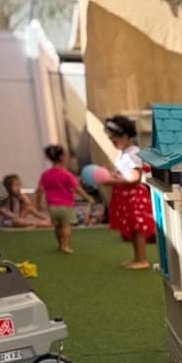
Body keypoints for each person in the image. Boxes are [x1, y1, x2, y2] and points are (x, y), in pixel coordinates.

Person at [104, 115, 155, 269]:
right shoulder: (124, 153)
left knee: (137, 228)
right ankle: (137, 258)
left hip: (134, 196)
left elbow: (135, 178)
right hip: (126, 195)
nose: (112, 142)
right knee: (132, 228)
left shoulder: (133, 153)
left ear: (125, 136)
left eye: (114, 139)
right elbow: (123, 173)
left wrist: (111, 181)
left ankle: (142, 259)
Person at [36, 145, 92, 254]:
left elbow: (39, 190)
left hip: (52, 206)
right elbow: (77, 188)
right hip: (65, 205)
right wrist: (87, 198)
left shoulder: (46, 174)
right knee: (66, 225)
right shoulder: (66, 174)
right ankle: (65, 246)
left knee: (57, 226)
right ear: (62, 157)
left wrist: (38, 203)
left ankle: (60, 244)